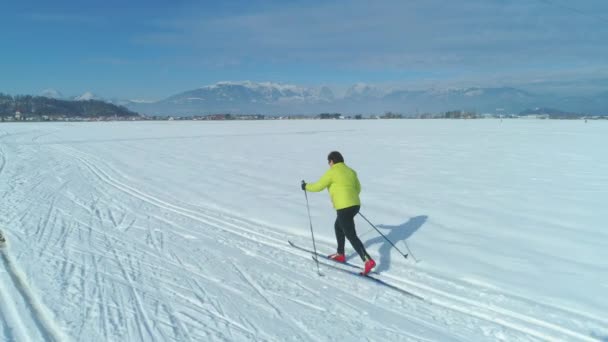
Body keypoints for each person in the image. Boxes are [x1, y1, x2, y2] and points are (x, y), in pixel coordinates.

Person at [301, 151, 376, 275]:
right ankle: (340, 254)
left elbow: (318, 186)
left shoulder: (332, 172)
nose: (329, 164)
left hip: (344, 207)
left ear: (332, 161)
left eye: (329, 162)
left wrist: (306, 186)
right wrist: (350, 199)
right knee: (338, 227)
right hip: (355, 205)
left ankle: (367, 260)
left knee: (350, 234)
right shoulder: (351, 171)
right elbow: (358, 188)